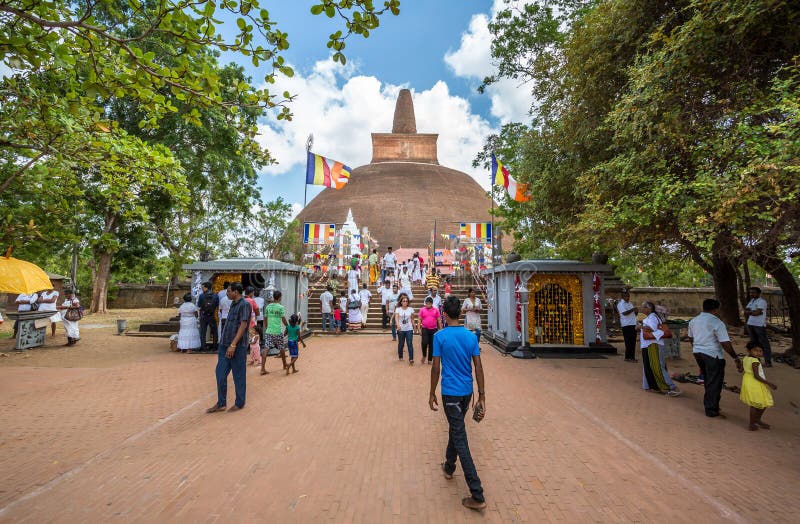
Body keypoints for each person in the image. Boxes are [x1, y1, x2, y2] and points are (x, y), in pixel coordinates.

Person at [428, 295, 486, 510]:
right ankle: (449, 466)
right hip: (466, 393)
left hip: (450, 393)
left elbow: (436, 367)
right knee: (456, 428)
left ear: (444, 313)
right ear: (461, 312)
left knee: (460, 437)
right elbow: (478, 367)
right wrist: (482, 395)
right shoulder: (470, 337)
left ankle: (477, 493)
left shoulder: (440, 336)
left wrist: (431, 392)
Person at [688, 299, 744, 418]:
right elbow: (725, 343)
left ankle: (712, 405)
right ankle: (711, 410)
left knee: (709, 379)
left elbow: (691, 338)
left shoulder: (694, 321)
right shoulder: (717, 322)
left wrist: (697, 349)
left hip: (698, 353)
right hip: (713, 355)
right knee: (715, 382)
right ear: (716, 309)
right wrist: (735, 358)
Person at [207, 282, 250, 413]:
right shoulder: (233, 303)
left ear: (236, 292)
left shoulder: (245, 304)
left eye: (229, 292)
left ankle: (239, 402)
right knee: (220, 373)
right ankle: (221, 403)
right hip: (224, 344)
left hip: (237, 346)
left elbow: (243, 325)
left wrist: (233, 344)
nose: (227, 294)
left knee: (239, 375)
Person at [639, 301, 681, 396]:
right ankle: (650, 385)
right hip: (648, 344)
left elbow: (652, 328)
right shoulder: (650, 317)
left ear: (649, 309)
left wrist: (640, 327)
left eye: (643, 307)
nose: (642, 309)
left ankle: (671, 387)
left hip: (653, 344)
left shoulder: (653, 316)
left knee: (656, 366)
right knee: (648, 365)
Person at [740, 342, 777, 430]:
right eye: (755, 350)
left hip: (748, 380)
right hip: (755, 383)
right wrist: (769, 383)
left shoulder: (745, 358)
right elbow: (756, 375)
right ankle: (752, 424)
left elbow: (741, 370)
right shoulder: (755, 361)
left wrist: (740, 366)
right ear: (749, 350)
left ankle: (757, 420)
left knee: (762, 402)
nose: (758, 353)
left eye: (760, 351)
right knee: (756, 403)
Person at [262, 290, 289, 375]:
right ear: (280, 297)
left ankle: (263, 368)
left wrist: (267, 328)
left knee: (266, 348)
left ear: (273, 297)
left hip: (269, 331)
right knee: (281, 348)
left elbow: (265, 319)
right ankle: (284, 365)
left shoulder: (268, 307)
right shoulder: (280, 307)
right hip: (278, 331)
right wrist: (288, 327)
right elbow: (283, 319)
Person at [745, 287, 772, 367]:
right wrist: (752, 312)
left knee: (764, 343)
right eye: (751, 292)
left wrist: (751, 312)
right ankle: (756, 360)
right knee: (754, 343)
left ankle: (768, 361)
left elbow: (757, 313)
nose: (751, 294)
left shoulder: (762, 301)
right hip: (751, 324)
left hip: (759, 325)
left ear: (759, 293)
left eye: (753, 292)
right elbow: (746, 310)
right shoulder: (752, 301)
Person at [394, 294, 417, 364]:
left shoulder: (411, 309)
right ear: (401, 302)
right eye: (403, 301)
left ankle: (411, 359)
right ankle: (400, 356)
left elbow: (412, 319)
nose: (405, 302)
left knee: (409, 343)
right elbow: (396, 317)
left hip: (409, 329)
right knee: (401, 344)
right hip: (401, 329)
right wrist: (398, 324)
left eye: (406, 301)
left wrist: (414, 327)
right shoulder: (398, 309)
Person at [418, 296, 442, 365]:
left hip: (434, 329)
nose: (428, 305)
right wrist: (419, 329)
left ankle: (430, 359)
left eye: (429, 303)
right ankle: (424, 355)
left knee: (432, 345)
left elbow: (439, 320)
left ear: (432, 303)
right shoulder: (422, 310)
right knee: (424, 342)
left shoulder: (436, 310)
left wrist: (440, 330)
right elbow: (419, 319)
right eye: (426, 303)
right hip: (425, 328)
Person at [197, 282, 219, 351]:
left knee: (203, 332)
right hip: (212, 316)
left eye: (203, 287)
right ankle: (214, 346)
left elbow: (199, 305)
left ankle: (203, 347)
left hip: (203, 315)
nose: (202, 289)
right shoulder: (215, 295)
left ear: (206, 287)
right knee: (214, 331)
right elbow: (217, 304)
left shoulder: (201, 296)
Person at [617, 290, 638, 362]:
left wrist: (636, 311)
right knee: (628, 341)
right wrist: (633, 309)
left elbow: (634, 313)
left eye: (628, 296)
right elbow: (624, 313)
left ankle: (630, 356)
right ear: (622, 297)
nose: (628, 298)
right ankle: (629, 357)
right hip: (626, 324)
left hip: (633, 323)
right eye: (626, 296)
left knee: (633, 341)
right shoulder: (620, 304)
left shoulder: (630, 303)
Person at [253, 288, 266, 353]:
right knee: (260, 328)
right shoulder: (262, 299)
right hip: (260, 315)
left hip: (254, 316)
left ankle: (255, 340)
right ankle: (260, 340)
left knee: (255, 329)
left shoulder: (253, 299)